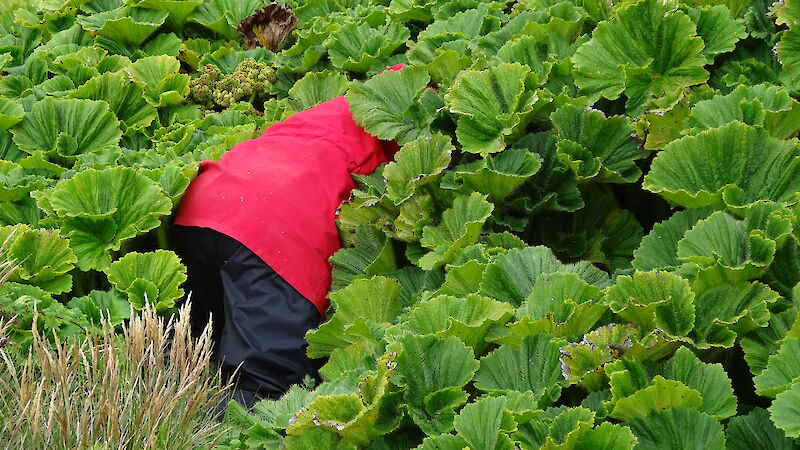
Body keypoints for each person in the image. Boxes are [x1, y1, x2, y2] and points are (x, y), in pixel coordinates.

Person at [171, 65, 402, 410]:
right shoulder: (399, 132)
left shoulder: (325, 113)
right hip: (273, 232)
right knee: (263, 394)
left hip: (203, 205)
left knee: (183, 349)